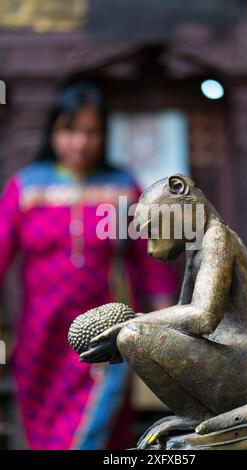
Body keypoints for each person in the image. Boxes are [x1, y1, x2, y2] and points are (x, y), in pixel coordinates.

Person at [0, 82, 178, 450]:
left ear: (104, 135)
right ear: (53, 131)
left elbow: (151, 261)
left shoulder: (123, 190)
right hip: (40, 341)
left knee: (89, 432)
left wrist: (168, 328)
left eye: (91, 132)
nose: (79, 143)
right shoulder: (26, 188)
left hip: (105, 337)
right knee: (45, 437)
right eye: (70, 130)